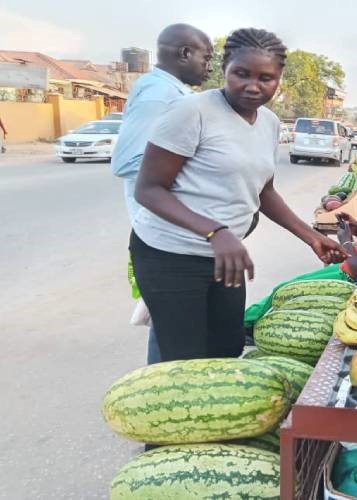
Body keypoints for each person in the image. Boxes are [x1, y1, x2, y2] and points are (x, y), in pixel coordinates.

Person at [131, 28, 346, 361]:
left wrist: (311, 236)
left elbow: (264, 190)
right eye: (241, 74)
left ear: (279, 80)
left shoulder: (269, 123)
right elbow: (148, 189)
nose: (253, 86)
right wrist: (215, 231)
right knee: (182, 359)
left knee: (226, 348)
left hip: (224, 258)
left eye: (266, 78)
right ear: (224, 69)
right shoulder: (192, 112)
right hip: (169, 254)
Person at [111, 23, 213, 365]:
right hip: (164, 235)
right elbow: (127, 161)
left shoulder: (173, 92)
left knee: (183, 328)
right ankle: (158, 410)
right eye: (206, 57)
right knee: (171, 333)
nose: (210, 66)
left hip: (181, 234)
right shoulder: (159, 95)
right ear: (184, 53)